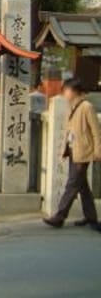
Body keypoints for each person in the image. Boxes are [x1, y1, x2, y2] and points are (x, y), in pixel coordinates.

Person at [43, 77, 101, 230]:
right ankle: (91, 218)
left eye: (66, 90)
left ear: (74, 91)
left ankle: (60, 216)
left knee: (72, 184)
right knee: (82, 186)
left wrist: (98, 150)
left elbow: (96, 131)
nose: (65, 94)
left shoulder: (86, 107)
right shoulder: (73, 106)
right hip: (73, 150)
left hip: (83, 152)